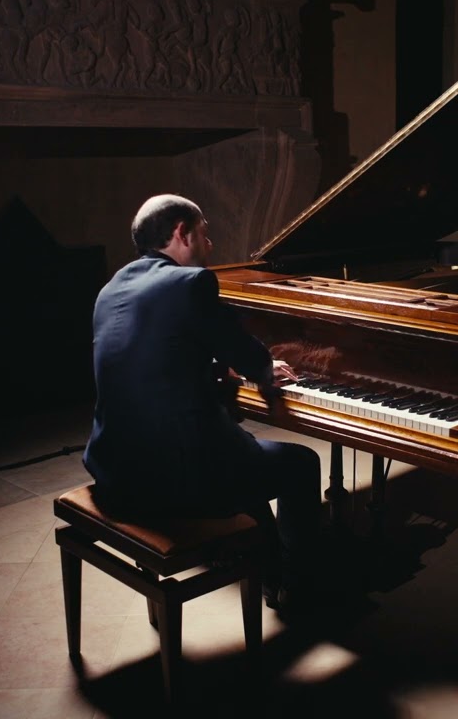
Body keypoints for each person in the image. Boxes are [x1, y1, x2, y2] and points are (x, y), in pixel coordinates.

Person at [82, 193, 322, 611]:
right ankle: (298, 590)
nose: (210, 245)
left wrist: (211, 370)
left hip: (114, 469)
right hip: (171, 480)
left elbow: (155, 360)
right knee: (301, 463)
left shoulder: (111, 288)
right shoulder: (191, 283)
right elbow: (242, 350)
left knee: (242, 460)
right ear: (182, 233)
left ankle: (267, 570)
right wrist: (264, 369)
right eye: (205, 234)